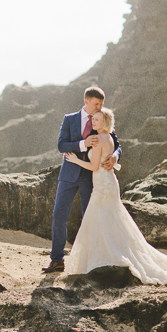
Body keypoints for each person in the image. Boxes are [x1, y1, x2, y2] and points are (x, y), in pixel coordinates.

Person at [62, 108, 167, 284]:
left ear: (105, 122)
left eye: (97, 120)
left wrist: (75, 160)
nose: (93, 122)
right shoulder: (108, 138)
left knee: (100, 220)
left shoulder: (99, 139)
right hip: (108, 183)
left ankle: (106, 260)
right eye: (93, 119)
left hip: (102, 185)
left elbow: (94, 166)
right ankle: (110, 257)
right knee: (111, 221)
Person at [42, 87, 121, 273]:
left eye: (101, 104)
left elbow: (116, 144)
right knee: (59, 216)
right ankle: (57, 260)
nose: (99, 107)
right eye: (96, 103)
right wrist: (83, 144)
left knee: (89, 218)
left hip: (91, 177)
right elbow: (61, 145)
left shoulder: (102, 119)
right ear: (86, 101)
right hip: (68, 175)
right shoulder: (69, 119)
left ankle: (91, 261)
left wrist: (115, 157)